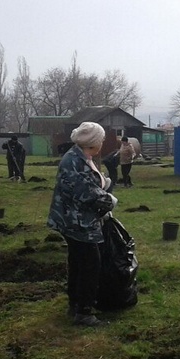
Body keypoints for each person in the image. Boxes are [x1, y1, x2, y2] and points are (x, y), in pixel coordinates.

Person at [47, 121, 118, 327]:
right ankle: (84, 312)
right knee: (90, 264)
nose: (103, 143)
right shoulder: (74, 162)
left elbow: (89, 183)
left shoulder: (80, 157)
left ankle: (75, 304)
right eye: (102, 140)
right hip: (78, 222)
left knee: (78, 262)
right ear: (94, 142)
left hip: (74, 219)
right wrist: (109, 199)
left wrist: (103, 183)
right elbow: (87, 193)